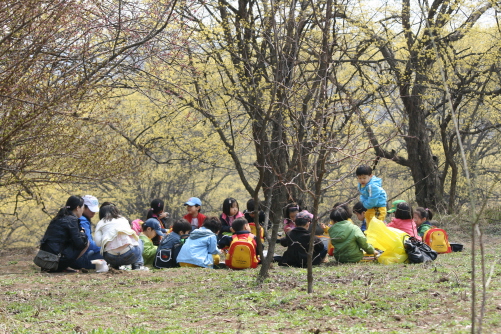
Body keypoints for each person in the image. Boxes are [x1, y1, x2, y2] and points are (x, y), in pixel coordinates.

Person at [39, 195, 89, 272]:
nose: (83, 210)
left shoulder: (59, 217)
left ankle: (61, 266)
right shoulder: (72, 220)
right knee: (85, 241)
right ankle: (61, 266)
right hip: (54, 259)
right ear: (77, 208)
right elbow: (79, 244)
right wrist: (82, 233)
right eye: (83, 207)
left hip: (43, 258)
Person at [95, 203, 145, 270]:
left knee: (108, 247)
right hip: (130, 255)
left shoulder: (100, 222)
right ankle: (137, 264)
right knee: (138, 240)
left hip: (110, 257)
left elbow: (98, 243)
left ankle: (114, 266)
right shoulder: (123, 219)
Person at [73, 195, 104, 269]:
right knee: (108, 255)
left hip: (75, 257)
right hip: (79, 259)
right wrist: (103, 248)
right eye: (91, 209)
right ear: (83, 207)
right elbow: (88, 243)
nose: (93, 212)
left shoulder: (80, 218)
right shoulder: (82, 220)